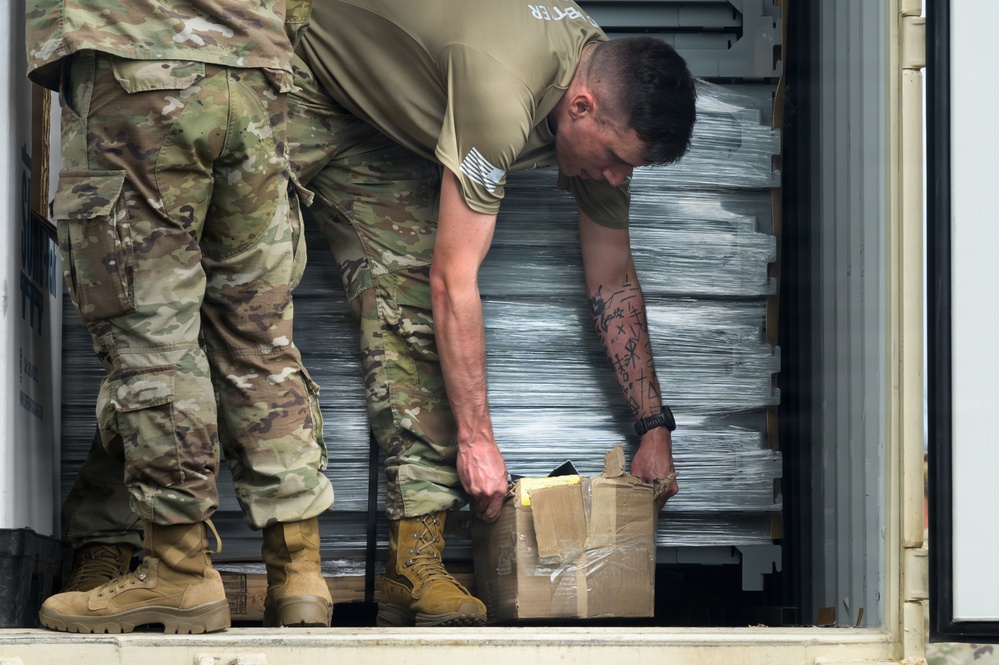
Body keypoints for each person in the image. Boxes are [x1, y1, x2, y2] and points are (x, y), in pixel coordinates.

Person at [288, 0, 696, 627]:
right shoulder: (503, 94)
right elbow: (455, 281)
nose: (614, 180)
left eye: (628, 168)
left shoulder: (604, 84)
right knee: (211, 290)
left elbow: (612, 277)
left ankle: (414, 564)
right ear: (581, 108)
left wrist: (654, 427)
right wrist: (478, 442)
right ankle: (124, 543)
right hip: (298, 71)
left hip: (386, 119)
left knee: (412, 316)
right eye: (614, 159)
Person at [26, 0, 335, 633]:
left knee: (150, 332)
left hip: (136, 56)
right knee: (258, 334)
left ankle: (179, 574)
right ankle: (299, 575)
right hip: (258, 71)